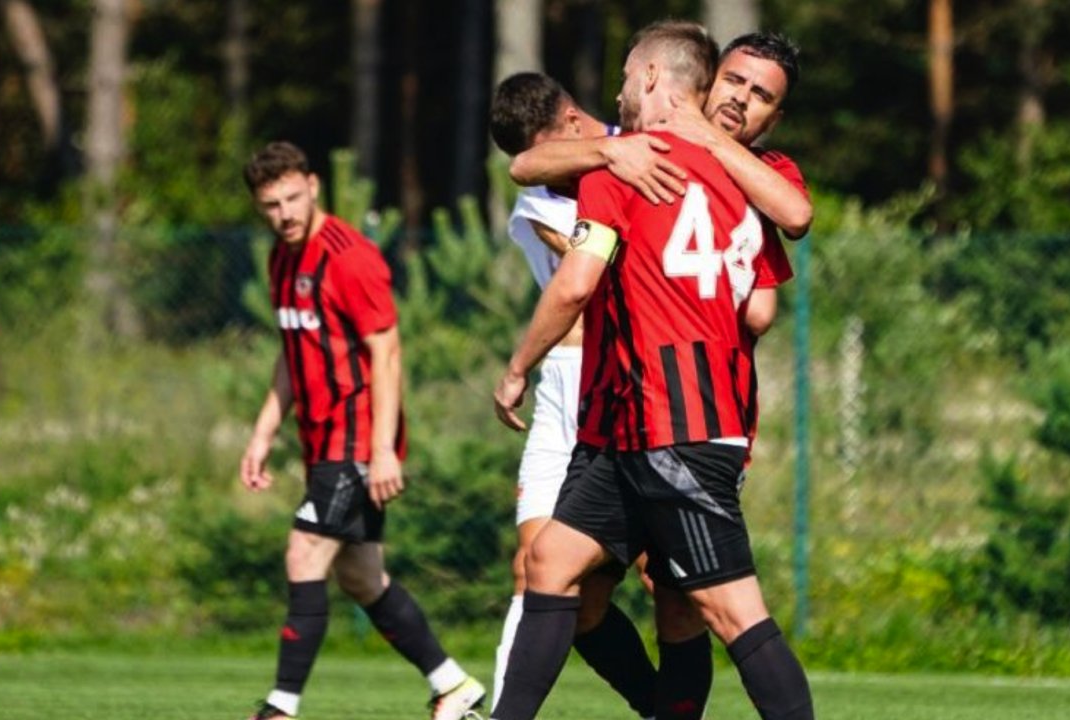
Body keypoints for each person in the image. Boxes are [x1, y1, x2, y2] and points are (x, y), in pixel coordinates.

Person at [491, 21, 815, 720]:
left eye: (761, 96)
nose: (742, 101)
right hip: (628, 422)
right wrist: (619, 151)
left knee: (719, 611)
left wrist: (518, 366)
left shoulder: (745, 173)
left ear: (644, 81)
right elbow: (758, 309)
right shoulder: (637, 158)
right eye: (733, 82)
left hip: (680, 421)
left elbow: (577, 282)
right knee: (550, 567)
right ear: (705, 80)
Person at [238, 141, 485, 720]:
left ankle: (280, 708)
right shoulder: (281, 259)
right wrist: (262, 433)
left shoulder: (349, 257)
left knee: (304, 555)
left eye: (293, 198)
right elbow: (290, 354)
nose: (285, 213)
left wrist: (381, 450)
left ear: (315, 186)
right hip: (322, 442)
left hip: (355, 440)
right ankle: (453, 686)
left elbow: (387, 352)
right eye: (271, 205)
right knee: (361, 576)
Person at [486, 73, 659, 720]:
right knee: (539, 571)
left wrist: (614, 149)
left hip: (635, 389)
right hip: (564, 393)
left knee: (668, 581)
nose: (542, 176)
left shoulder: (641, 151)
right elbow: (529, 170)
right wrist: (606, 153)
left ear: (572, 119)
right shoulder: (542, 196)